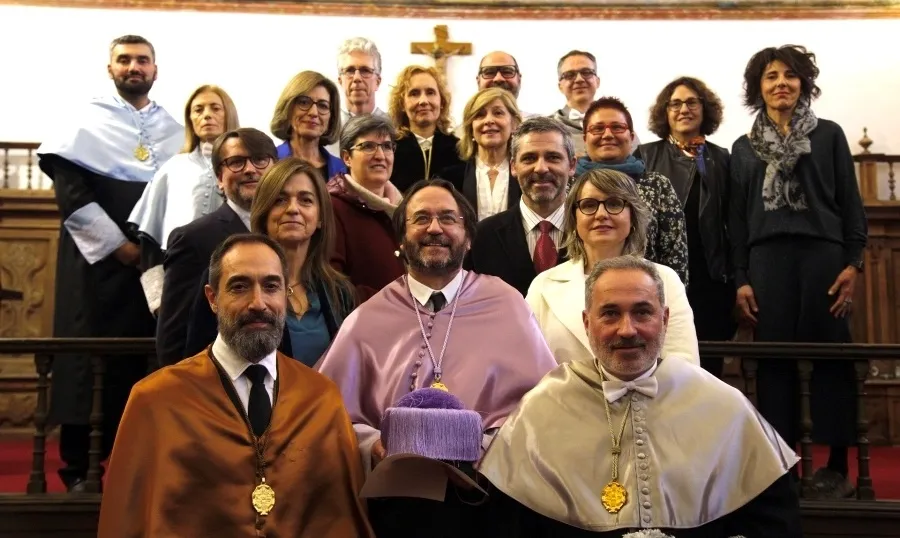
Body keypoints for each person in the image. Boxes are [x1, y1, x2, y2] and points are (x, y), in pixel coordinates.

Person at [479, 256, 803, 538]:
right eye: (610, 314)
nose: (627, 330)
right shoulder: (543, 407)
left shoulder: (722, 405)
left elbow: (774, 521)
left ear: (664, 320)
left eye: (642, 312)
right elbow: (508, 523)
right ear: (587, 323)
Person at [316, 178, 558, 537]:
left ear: (468, 236)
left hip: (488, 499)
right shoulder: (368, 317)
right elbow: (331, 415)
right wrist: (374, 445)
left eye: (448, 218)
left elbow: (543, 406)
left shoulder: (506, 302)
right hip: (399, 506)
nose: (434, 228)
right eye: (421, 219)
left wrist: (485, 446)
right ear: (400, 239)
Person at [97, 234, 373, 537]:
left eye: (271, 286)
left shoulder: (320, 398)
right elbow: (125, 520)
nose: (258, 303)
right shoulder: (156, 401)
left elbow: (341, 518)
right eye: (240, 287)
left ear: (285, 295)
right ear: (213, 298)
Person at [35, 34, 182, 493]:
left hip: (154, 271)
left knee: (149, 362)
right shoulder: (84, 122)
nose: (133, 67)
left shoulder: (172, 129)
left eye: (142, 60)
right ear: (110, 68)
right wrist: (122, 249)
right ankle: (81, 471)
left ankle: (141, 467)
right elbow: (72, 197)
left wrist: (153, 254)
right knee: (90, 364)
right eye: (124, 60)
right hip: (97, 273)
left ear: (155, 70)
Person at [730, 45, 868, 498]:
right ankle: (780, 462)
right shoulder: (744, 147)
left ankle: (836, 466)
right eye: (771, 76)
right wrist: (742, 278)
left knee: (833, 357)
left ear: (803, 83)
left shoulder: (828, 134)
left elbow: (850, 202)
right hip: (767, 261)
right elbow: (737, 218)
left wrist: (853, 263)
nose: (781, 83)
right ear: (759, 87)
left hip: (823, 257)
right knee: (774, 363)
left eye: (790, 75)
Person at [183, 158, 357, 367]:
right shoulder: (228, 277)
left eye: (306, 200)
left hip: (323, 399)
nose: (293, 209)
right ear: (264, 212)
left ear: (320, 217)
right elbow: (196, 363)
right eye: (280, 200)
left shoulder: (339, 291)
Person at [527, 169, 698, 366]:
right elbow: (529, 365)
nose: (601, 214)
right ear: (574, 220)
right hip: (563, 396)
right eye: (589, 205)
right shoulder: (543, 285)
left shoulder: (665, 279)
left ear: (633, 217)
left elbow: (684, 365)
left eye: (614, 204)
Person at [636, 77, 734, 378]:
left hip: (711, 274)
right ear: (665, 112)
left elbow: (733, 218)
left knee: (710, 362)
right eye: (675, 103)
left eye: (692, 102)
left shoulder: (721, 158)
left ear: (705, 110)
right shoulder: (646, 155)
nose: (684, 109)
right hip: (662, 271)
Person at [155, 128, 277, 366]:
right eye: (236, 162)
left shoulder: (290, 233)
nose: (250, 170)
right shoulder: (192, 239)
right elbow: (173, 337)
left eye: (260, 160)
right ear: (219, 178)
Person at [128, 84, 240, 314]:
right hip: (183, 286)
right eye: (198, 109)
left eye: (215, 108)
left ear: (228, 113)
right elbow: (150, 243)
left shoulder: (246, 167)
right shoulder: (172, 170)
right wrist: (158, 301)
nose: (206, 114)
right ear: (190, 119)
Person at [576, 97, 688, 284]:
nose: (608, 134)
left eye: (617, 127)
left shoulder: (657, 186)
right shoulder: (570, 186)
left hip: (646, 300)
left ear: (631, 136)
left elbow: (675, 254)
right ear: (585, 138)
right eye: (598, 128)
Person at [467, 116, 574, 296]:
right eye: (529, 158)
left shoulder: (594, 232)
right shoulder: (481, 237)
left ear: (572, 165)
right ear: (513, 167)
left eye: (553, 157)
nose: (541, 168)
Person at [329, 114, 405, 299]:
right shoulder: (332, 207)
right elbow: (333, 283)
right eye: (368, 146)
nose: (380, 156)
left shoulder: (404, 207)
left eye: (387, 146)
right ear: (347, 157)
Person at [439, 87, 523, 221]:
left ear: (514, 124)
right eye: (480, 115)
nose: (489, 120)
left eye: (498, 113)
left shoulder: (525, 173)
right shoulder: (450, 178)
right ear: (470, 128)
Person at [388, 65, 464, 193]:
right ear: (402, 104)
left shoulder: (460, 150)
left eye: (430, 92)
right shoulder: (390, 150)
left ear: (442, 102)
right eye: (414, 93)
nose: (423, 101)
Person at [270, 70, 346, 180]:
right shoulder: (270, 162)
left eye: (322, 106)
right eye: (304, 102)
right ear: (288, 108)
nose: (313, 113)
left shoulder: (342, 170)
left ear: (331, 117)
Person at [327, 37, 389, 155]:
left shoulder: (394, 127)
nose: (357, 78)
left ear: (378, 82)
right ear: (340, 81)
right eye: (350, 70)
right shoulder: (327, 127)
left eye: (365, 70)